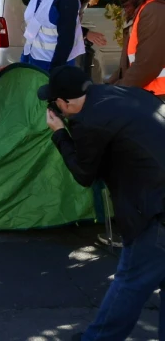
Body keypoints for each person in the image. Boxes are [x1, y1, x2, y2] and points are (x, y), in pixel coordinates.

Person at [42, 64, 165, 339]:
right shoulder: (124, 95)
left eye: (55, 102)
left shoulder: (89, 120)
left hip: (154, 210)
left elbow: (84, 174)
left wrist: (60, 133)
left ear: (65, 102)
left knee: (129, 282)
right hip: (158, 196)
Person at [108, 0, 165, 95]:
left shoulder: (153, 10)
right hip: (147, 94)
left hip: (156, 96)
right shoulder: (146, 7)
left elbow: (146, 65)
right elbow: (129, 63)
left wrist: (117, 91)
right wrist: (110, 86)